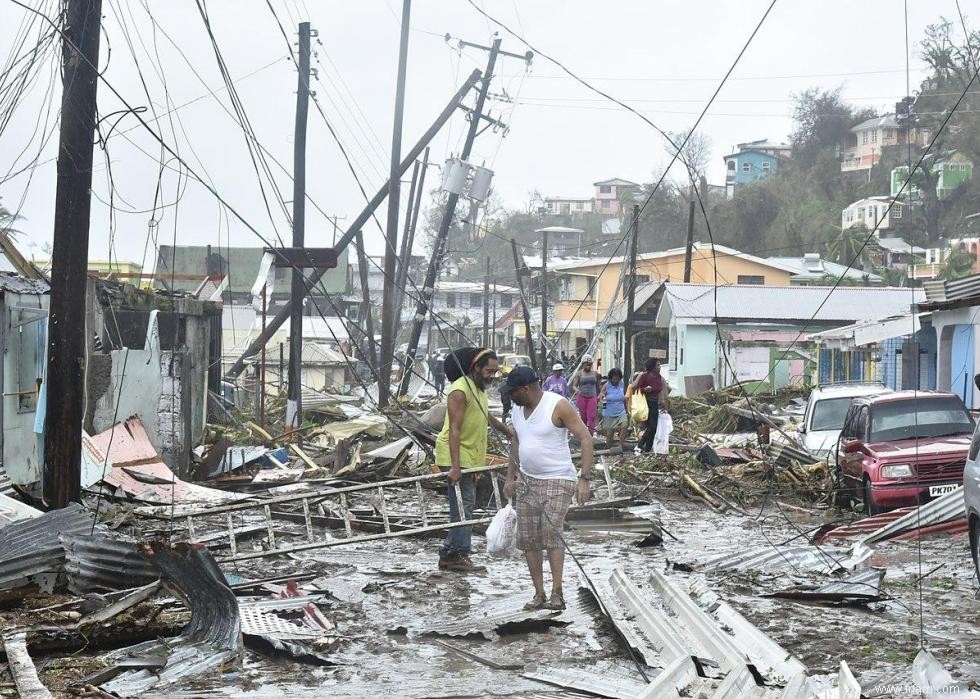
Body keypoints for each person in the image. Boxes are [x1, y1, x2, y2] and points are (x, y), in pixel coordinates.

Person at [503, 367, 593, 611]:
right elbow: (516, 440)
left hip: (558, 478)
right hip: (528, 480)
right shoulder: (517, 410)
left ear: (525, 389)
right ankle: (539, 593)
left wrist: (584, 478)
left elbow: (585, 438)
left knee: (550, 533)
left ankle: (557, 592)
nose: (510, 397)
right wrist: (510, 476)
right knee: (529, 538)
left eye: (513, 392)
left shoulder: (558, 405)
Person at [435, 347, 511, 572]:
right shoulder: (459, 391)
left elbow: (486, 416)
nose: (492, 376)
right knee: (462, 504)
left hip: (470, 457)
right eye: (489, 371)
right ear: (476, 368)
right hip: (455, 455)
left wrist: (508, 432)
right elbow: (454, 430)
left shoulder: (479, 390)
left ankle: (455, 550)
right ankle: (453, 553)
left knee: (466, 504)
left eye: (495, 372)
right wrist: (456, 467)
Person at [633, 358, 667, 454]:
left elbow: (659, 390)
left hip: (654, 404)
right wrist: (645, 389)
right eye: (658, 365)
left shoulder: (659, 377)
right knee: (651, 427)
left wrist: (662, 401)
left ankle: (647, 449)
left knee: (654, 428)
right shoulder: (644, 376)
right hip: (645, 403)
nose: (659, 367)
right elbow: (636, 388)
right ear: (652, 367)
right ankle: (639, 445)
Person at [599, 368, 628, 452]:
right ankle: (608, 449)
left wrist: (627, 410)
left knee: (624, 426)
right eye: (614, 378)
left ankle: (620, 446)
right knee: (610, 432)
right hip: (609, 412)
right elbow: (601, 396)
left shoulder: (622, 384)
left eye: (618, 378)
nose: (616, 380)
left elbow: (625, 397)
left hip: (621, 411)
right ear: (610, 378)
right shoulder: (606, 385)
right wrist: (602, 397)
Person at [569, 354, 600, 434]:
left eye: (590, 365)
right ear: (583, 364)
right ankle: (583, 434)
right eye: (586, 365)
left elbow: (597, 386)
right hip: (582, 397)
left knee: (592, 416)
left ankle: (590, 434)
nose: (588, 366)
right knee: (584, 417)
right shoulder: (579, 374)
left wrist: (598, 396)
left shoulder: (595, 374)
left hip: (592, 397)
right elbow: (574, 386)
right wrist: (578, 391)